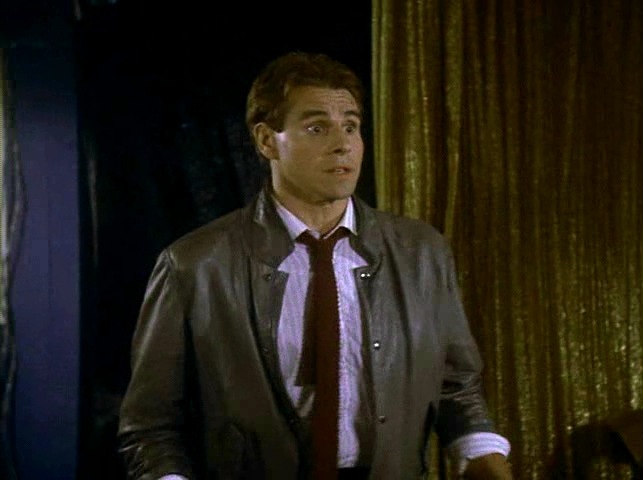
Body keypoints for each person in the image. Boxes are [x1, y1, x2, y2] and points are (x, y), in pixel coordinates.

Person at [118, 51, 513, 480]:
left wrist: (482, 455)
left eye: (351, 126)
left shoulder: (421, 252)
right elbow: (151, 425)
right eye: (317, 127)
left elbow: (457, 387)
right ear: (266, 141)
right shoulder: (195, 264)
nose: (343, 144)